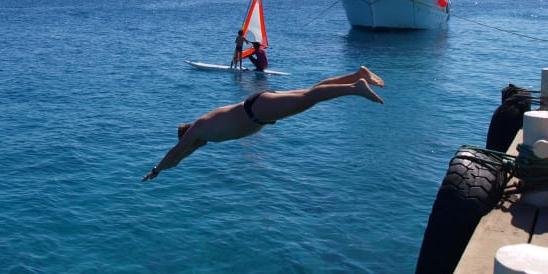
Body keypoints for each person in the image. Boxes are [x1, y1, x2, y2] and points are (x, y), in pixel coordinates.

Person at [142, 67, 385, 182]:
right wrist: (165, 168)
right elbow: (182, 156)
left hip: (257, 110)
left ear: (187, 134)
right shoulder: (203, 130)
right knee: (310, 94)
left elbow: (177, 152)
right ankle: (357, 76)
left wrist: (156, 170)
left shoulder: (197, 129)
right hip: (260, 107)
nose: (196, 146)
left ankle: (355, 88)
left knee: (309, 98)